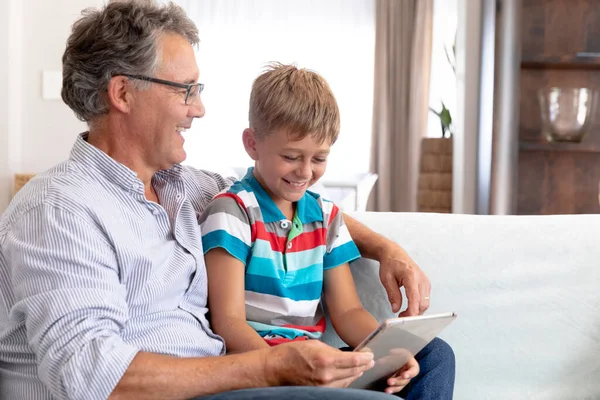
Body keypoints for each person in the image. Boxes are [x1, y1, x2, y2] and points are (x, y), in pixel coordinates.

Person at [0, 1, 451, 400]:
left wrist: (384, 249)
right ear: (122, 94)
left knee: (429, 358)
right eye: (186, 90)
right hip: (183, 391)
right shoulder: (58, 210)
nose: (199, 109)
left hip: (232, 380)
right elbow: (97, 379)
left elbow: (295, 204)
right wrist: (272, 367)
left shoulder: (190, 187)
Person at [199, 63, 454, 398]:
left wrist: (388, 353)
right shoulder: (232, 211)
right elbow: (228, 323)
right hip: (256, 366)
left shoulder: (327, 217)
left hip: (315, 363)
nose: (304, 172)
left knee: (435, 356)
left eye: (319, 159)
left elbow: (347, 312)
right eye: (291, 156)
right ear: (252, 144)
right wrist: (281, 365)